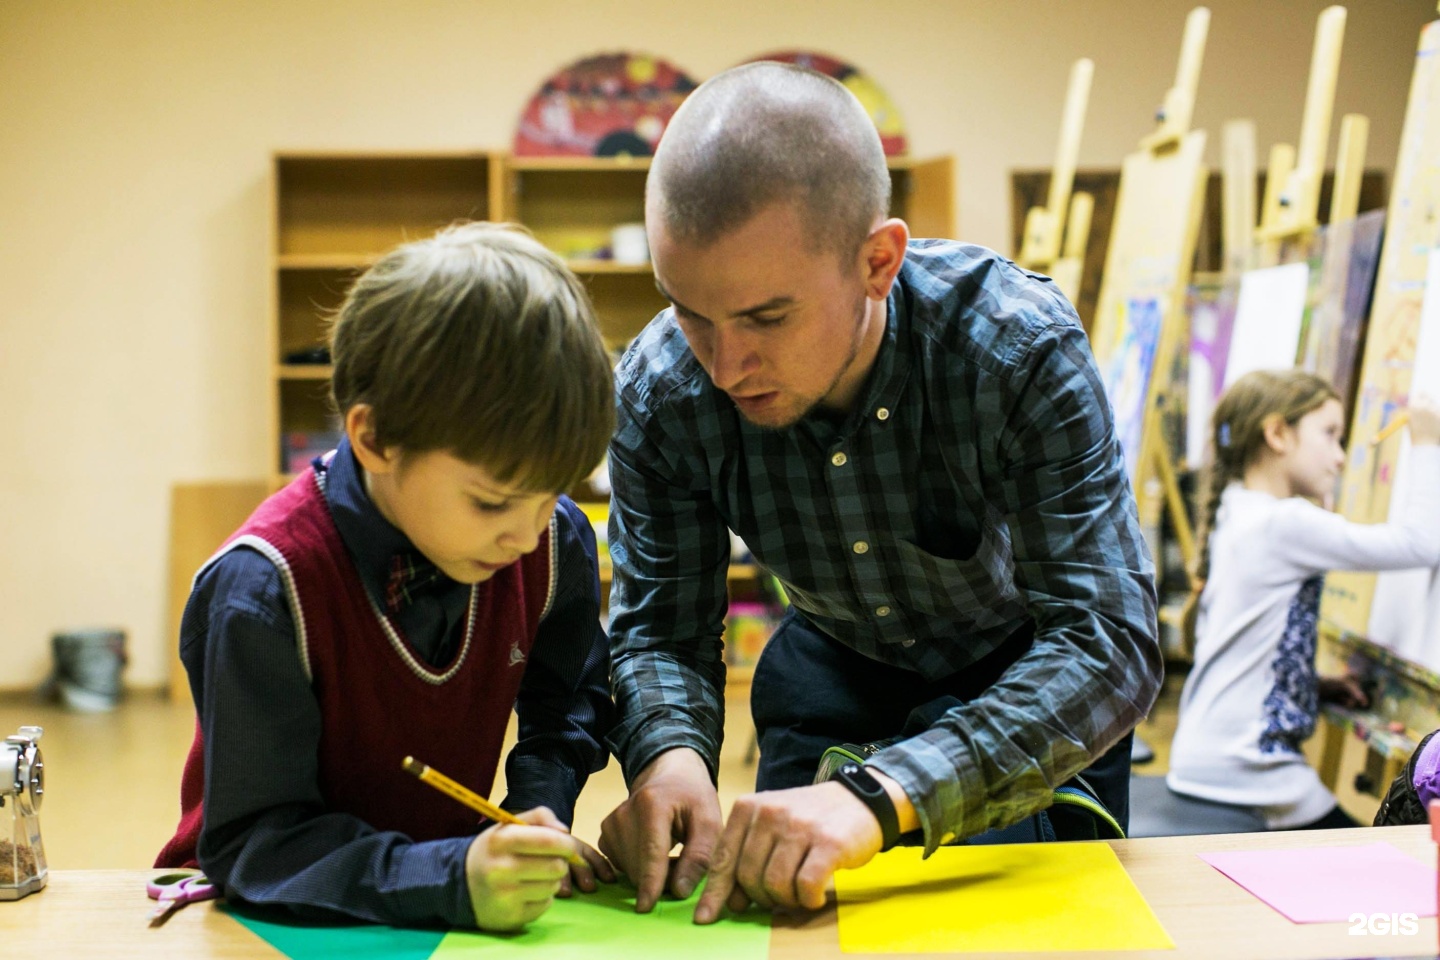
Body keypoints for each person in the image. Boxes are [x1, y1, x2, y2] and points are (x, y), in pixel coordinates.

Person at [598, 61, 1162, 924]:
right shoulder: (661, 391)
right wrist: (668, 755)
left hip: (1027, 677)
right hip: (828, 667)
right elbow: (660, 630)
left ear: (877, 261)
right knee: (790, 923)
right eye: (688, 312)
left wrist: (883, 792)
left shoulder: (1015, 348)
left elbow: (1106, 640)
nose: (722, 363)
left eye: (765, 317)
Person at [155, 222, 618, 931]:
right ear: (373, 438)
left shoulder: (551, 540)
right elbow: (253, 842)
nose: (526, 534)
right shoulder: (263, 594)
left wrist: (540, 811)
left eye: (550, 490)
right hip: (255, 920)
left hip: (430, 913)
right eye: (492, 501)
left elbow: (564, 705)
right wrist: (445, 877)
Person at [1168, 370, 1440, 830]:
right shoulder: (1286, 523)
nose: (1339, 457)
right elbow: (1424, 543)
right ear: (1277, 434)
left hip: (1205, 753)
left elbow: (1247, 643)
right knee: (1385, 859)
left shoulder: (1238, 507)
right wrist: (1428, 441)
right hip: (1251, 771)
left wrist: (1311, 685)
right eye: (1330, 434)